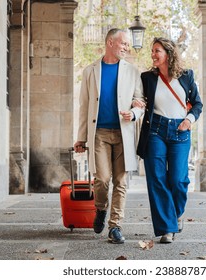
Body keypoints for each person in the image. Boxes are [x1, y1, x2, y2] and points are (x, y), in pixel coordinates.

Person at [74, 28, 144, 244]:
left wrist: (133, 113)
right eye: (123, 43)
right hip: (100, 134)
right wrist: (81, 137)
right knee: (102, 180)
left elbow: (141, 103)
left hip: (124, 134)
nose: (126, 47)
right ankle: (101, 209)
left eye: (127, 45)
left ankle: (115, 226)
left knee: (121, 181)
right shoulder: (90, 71)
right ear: (110, 42)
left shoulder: (132, 71)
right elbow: (84, 106)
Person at [136, 37, 203, 243]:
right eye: (152, 51)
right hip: (155, 130)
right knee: (156, 178)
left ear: (168, 53)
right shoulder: (147, 78)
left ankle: (176, 214)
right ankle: (167, 229)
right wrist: (134, 104)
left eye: (157, 50)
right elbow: (140, 99)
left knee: (178, 180)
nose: (153, 54)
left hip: (180, 131)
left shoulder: (186, 76)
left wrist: (189, 120)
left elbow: (197, 104)